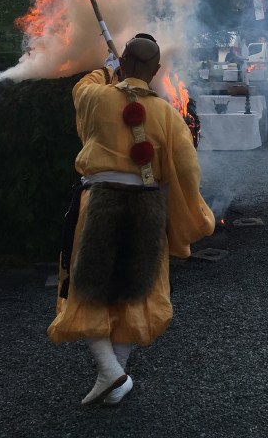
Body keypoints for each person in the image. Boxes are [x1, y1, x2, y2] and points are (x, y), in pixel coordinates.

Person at [48, 34, 215, 406]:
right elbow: (187, 171)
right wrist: (196, 215)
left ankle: (111, 370)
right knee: (137, 290)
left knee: (88, 286)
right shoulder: (169, 115)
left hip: (98, 203)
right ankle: (114, 371)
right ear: (156, 71)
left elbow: (81, 87)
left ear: (122, 63)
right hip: (146, 206)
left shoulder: (96, 97)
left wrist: (106, 71)